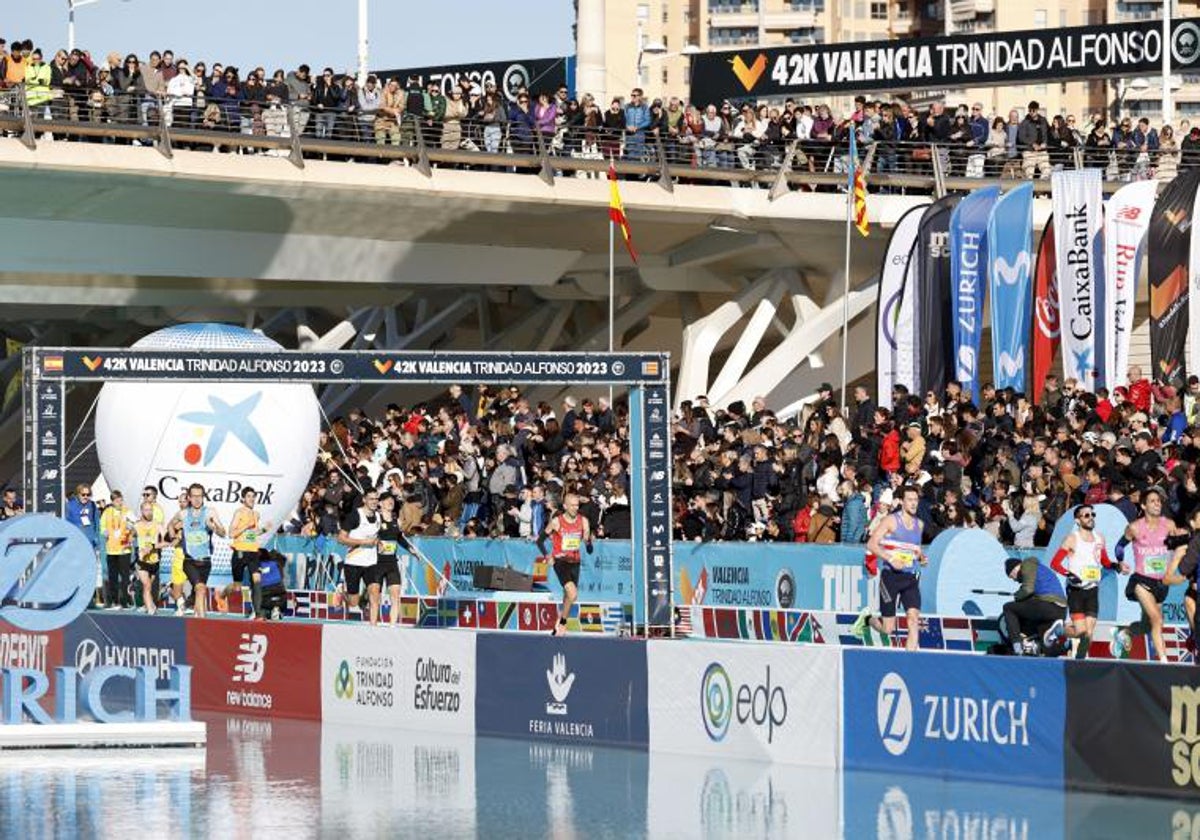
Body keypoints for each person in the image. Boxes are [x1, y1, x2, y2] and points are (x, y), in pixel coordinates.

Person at [1112, 486, 1185, 662]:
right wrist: (1121, 561)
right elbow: (1119, 547)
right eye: (1152, 501)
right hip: (1141, 580)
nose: (1157, 504)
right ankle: (1164, 661)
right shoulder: (1134, 527)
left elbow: (1178, 545)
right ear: (1143, 506)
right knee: (1157, 619)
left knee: (1147, 626)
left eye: (1159, 501)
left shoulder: (1168, 524)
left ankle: (1124, 631)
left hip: (1161, 583)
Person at [1048, 504, 1125, 658]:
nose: (1091, 518)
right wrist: (1069, 575)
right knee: (1081, 632)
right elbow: (1055, 563)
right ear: (1078, 520)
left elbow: (1104, 561)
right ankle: (1060, 630)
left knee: (1089, 633)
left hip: (1093, 589)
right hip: (1076, 590)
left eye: (1092, 514)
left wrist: (1115, 566)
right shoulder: (1072, 539)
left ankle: (1080, 663)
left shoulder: (1099, 538)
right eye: (1086, 515)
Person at [865, 484, 926, 651]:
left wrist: (921, 557)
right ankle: (868, 620)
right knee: (888, 629)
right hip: (890, 577)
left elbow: (915, 548)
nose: (914, 503)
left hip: (909, 578)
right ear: (901, 502)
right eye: (910, 500)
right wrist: (890, 558)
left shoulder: (919, 524)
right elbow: (871, 544)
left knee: (913, 619)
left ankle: (909, 663)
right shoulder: (891, 520)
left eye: (916, 500)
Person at [537, 492, 594, 636]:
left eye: (577, 505)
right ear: (565, 506)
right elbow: (539, 541)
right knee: (573, 594)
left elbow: (589, 547)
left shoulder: (583, 521)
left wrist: (588, 541)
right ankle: (563, 623)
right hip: (560, 561)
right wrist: (547, 555)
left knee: (568, 596)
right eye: (573, 505)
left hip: (575, 561)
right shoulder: (557, 521)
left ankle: (559, 623)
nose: (576, 508)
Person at [167, 483, 226, 619]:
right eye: (194, 496)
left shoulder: (210, 512)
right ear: (189, 497)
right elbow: (170, 524)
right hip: (189, 560)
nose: (197, 499)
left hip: (205, 561)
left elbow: (223, 532)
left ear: (203, 497)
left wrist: (214, 527)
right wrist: (173, 535)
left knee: (200, 591)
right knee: (200, 588)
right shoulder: (183, 514)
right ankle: (203, 621)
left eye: (200, 496)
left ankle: (199, 618)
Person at [1002, 556, 1068, 656]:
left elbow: (1027, 590)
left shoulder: (1028, 564)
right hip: (1060, 610)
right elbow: (1030, 594)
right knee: (1048, 649)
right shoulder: (1038, 572)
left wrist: (1017, 596)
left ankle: (1016, 645)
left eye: (1012, 576)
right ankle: (1069, 645)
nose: (1014, 580)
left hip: (1049, 605)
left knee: (1008, 608)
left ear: (1016, 567)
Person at [229, 487, 271, 621]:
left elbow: (253, 533)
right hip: (240, 552)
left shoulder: (256, 514)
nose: (252, 499)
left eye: (253, 496)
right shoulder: (239, 513)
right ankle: (222, 593)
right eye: (248, 496)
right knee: (237, 587)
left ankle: (258, 613)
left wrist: (264, 529)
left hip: (253, 552)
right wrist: (245, 526)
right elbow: (231, 533)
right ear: (243, 499)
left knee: (257, 580)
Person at [1164, 506, 1200, 658]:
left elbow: (1183, 571)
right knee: (1189, 599)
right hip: (1193, 592)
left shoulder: (1195, 541)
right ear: (1192, 523)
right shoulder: (1191, 543)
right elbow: (1169, 578)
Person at [337, 488, 380, 613]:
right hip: (354, 562)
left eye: (376, 499)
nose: (374, 502)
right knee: (353, 602)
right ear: (364, 500)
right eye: (371, 499)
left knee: (375, 592)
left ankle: (373, 627)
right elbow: (340, 539)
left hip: (371, 562)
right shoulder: (355, 515)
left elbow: (377, 535)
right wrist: (363, 542)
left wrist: (379, 542)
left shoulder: (378, 515)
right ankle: (344, 593)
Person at [372, 493, 410, 626]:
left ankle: (392, 626)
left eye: (392, 500)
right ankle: (373, 625)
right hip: (377, 563)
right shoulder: (376, 519)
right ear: (380, 503)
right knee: (375, 597)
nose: (390, 502)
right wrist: (377, 542)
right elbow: (368, 535)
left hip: (392, 563)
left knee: (395, 594)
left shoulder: (396, 521)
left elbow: (399, 538)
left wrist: (411, 549)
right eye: (387, 500)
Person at [100, 490, 135, 610]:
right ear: (112, 501)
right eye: (116, 500)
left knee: (125, 577)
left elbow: (135, 523)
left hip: (124, 549)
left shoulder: (127, 511)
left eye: (120, 500)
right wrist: (104, 532)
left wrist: (132, 527)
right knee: (112, 576)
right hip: (111, 549)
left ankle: (125, 601)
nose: (119, 502)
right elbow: (102, 526)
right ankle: (113, 601)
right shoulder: (107, 512)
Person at [133, 500, 166, 615]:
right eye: (146, 510)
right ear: (142, 511)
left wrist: (153, 546)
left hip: (154, 560)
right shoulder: (137, 525)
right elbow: (128, 537)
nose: (149, 512)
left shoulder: (157, 525)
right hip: (142, 561)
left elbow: (167, 541)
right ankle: (151, 610)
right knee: (146, 585)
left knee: (149, 587)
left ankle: (149, 606)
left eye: (150, 510)